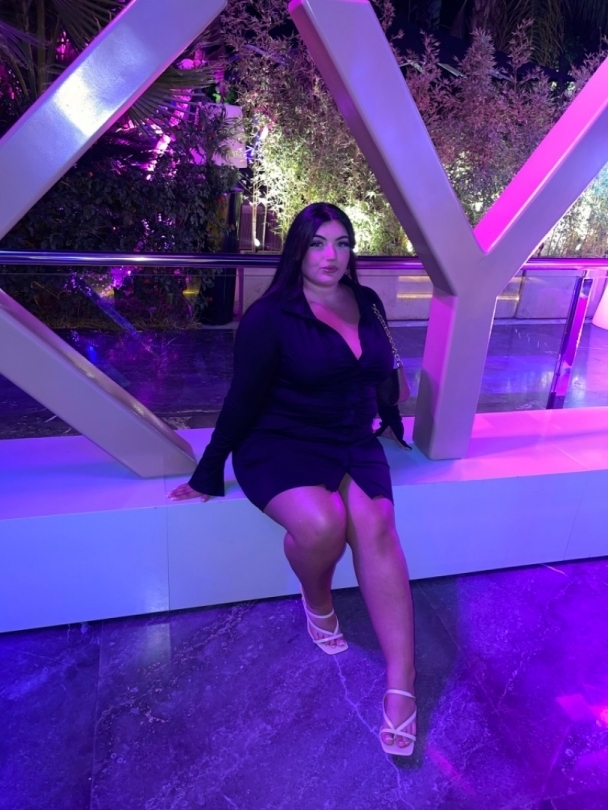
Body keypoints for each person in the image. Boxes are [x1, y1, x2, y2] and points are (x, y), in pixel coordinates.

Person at [169, 203, 417, 756]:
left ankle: (403, 682)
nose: (332, 256)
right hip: (280, 438)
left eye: (342, 243)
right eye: (318, 243)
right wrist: (209, 471)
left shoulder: (368, 302)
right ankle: (317, 599)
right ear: (297, 250)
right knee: (323, 525)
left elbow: (382, 374)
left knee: (377, 525)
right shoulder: (270, 317)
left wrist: (389, 420)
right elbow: (241, 400)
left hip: (352, 438)